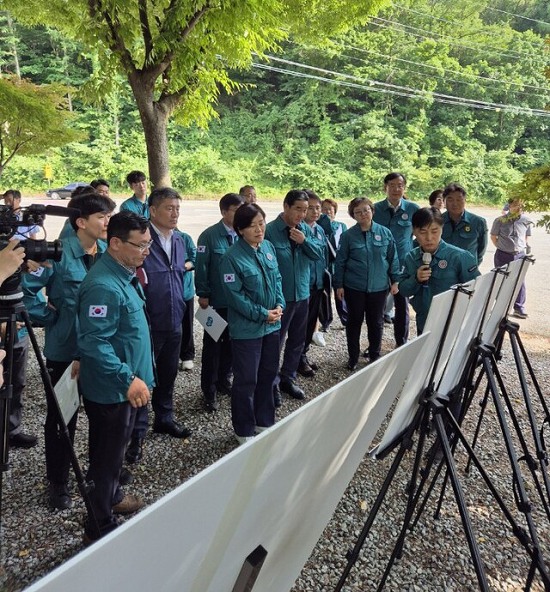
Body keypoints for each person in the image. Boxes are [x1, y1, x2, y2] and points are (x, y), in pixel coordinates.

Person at [22, 192, 116, 509]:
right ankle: (59, 482)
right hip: (65, 351)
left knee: (103, 413)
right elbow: (27, 290)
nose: (108, 222)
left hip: (99, 351)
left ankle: (96, 473)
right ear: (81, 222)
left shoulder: (106, 252)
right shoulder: (59, 254)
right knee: (63, 419)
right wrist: (52, 318)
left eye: (109, 216)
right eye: (102, 217)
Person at [77, 211, 153, 543]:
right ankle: (99, 526)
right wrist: (127, 379)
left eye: (149, 244)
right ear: (116, 243)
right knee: (105, 459)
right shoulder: (104, 286)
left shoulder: (124, 273)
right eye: (141, 246)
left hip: (128, 387)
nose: (146, 252)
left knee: (115, 453)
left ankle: (111, 498)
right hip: (114, 392)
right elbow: (94, 341)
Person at [126, 188, 191, 465]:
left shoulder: (178, 240)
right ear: (152, 210)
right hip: (146, 324)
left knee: (167, 375)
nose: (175, 213)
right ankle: (136, 436)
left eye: (177, 207)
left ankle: (164, 418)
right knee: (142, 379)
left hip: (174, 320)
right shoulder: (141, 241)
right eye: (169, 208)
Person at [220, 203, 284, 444]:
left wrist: (279, 305)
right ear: (240, 230)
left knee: (268, 374)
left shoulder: (267, 247)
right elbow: (235, 297)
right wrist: (261, 313)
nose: (259, 230)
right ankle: (243, 427)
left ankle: (263, 420)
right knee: (247, 378)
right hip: (247, 329)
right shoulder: (231, 258)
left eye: (262, 223)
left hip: (272, 325)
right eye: (252, 226)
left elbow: (277, 278)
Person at [265, 190, 323, 404]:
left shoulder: (305, 230)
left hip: (302, 294)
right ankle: (270, 385)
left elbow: (319, 255)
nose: (301, 214)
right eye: (297, 208)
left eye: (305, 210)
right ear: (286, 206)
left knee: (297, 341)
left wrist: (304, 241)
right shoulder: (270, 231)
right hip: (280, 299)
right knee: (275, 343)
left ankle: (287, 378)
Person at [334, 198, 400, 370]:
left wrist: (395, 281)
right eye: (358, 212)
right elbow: (340, 261)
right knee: (354, 322)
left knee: (376, 322)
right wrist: (339, 284)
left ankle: (374, 355)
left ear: (372, 211)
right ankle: (353, 357)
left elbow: (393, 259)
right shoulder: (348, 236)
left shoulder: (385, 233)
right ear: (353, 215)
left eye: (366, 210)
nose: (363, 214)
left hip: (379, 287)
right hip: (354, 287)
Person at [195, 193, 244, 411]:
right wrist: (203, 293)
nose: (240, 214)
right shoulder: (209, 236)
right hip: (214, 303)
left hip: (236, 304)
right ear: (224, 212)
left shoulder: (244, 234)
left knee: (232, 345)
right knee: (212, 347)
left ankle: (225, 380)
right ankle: (209, 390)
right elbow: (202, 266)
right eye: (235, 210)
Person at [400, 207, 480, 334]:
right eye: (423, 232)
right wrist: (416, 278)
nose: (429, 237)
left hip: (452, 323)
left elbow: (477, 291)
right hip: (424, 322)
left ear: (442, 229)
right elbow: (404, 290)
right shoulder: (411, 257)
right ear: (414, 232)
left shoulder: (459, 257)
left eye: (434, 231)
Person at [373, 172, 419, 347]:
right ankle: (374, 345)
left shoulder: (413, 209)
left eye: (399, 185)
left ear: (404, 188)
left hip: (403, 267)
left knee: (402, 307)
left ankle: (402, 344)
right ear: (385, 187)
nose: (395, 189)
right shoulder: (375, 209)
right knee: (377, 308)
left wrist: (412, 254)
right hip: (380, 266)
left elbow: (421, 235)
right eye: (392, 185)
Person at [298, 190, 328, 377]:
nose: (315, 212)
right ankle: (298, 359)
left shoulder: (320, 229)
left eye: (318, 208)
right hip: (303, 286)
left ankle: (303, 355)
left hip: (317, 284)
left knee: (310, 324)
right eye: (311, 208)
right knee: (299, 327)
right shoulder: (297, 229)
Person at [490, 197, 533, 319]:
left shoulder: (526, 221)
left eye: (520, 206)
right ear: (509, 206)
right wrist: (502, 247)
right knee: (502, 280)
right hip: (503, 255)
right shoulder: (500, 220)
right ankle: (501, 308)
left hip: (520, 255)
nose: (518, 208)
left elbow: (526, 237)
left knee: (520, 281)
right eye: (515, 205)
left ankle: (519, 308)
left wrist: (521, 247)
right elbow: (493, 236)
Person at [441, 183, 487, 265]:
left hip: (468, 271)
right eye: (450, 200)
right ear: (444, 201)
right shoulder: (437, 221)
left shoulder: (478, 222)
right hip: (443, 270)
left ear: (465, 200)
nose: (455, 204)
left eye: (459, 199)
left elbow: (481, 251)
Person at [319, 197, 348, 330]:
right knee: (324, 293)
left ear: (334, 211)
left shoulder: (341, 226)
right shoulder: (318, 226)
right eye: (323, 209)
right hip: (324, 264)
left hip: (338, 264)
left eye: (329, 210)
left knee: (340, 292)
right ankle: (326, 322)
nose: (326, 212)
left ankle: (345, 319)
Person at [177, 229, 197, 371]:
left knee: (186, 323)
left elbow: (195, 258)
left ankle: (187, 355)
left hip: (184, 290)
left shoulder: (185, 237)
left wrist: (184, 266)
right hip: (163, 293)